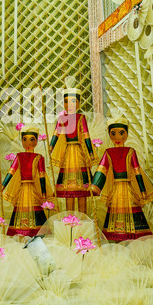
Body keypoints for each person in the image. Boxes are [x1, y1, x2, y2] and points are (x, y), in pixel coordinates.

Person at [91, 115, 153, 242]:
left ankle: (132, 243)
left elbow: (137, 171)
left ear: (126, 135)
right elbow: (102, 170)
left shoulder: (131, 151)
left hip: (128, 188)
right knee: (116, 216)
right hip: (117, 189)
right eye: (113, 134)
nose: (118, 138)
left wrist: (142, 190)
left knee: (133, 216)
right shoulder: (108, 152)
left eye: (121, 133)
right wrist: (95, 186)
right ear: (110, 135)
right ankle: (119, 241)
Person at [49, 78, 98, 213]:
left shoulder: (81, 118)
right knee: (68, 191)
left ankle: (83, 216)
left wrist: (90, 151)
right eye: (66, 101)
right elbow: (56, 134)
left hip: (79, 153)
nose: (69, 104)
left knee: (82, 190)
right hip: (68, 154)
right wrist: (51, 147)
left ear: (78, 103)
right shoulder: (62, 118)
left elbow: (86, 136)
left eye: (73, 101)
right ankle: (69, 217)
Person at [2, 126, 56, 237]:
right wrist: (3, 184)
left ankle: (33, 232)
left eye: (31, 139)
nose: (27, 142)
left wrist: (44, 191)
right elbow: (11, 172)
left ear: (36, 141)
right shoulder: (20, 156)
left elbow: (42, 176)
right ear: (22, 141)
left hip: (31, 188)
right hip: (25, 188)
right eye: (25, 139)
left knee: (32, 207)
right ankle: (24, 231)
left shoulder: (38, 157)